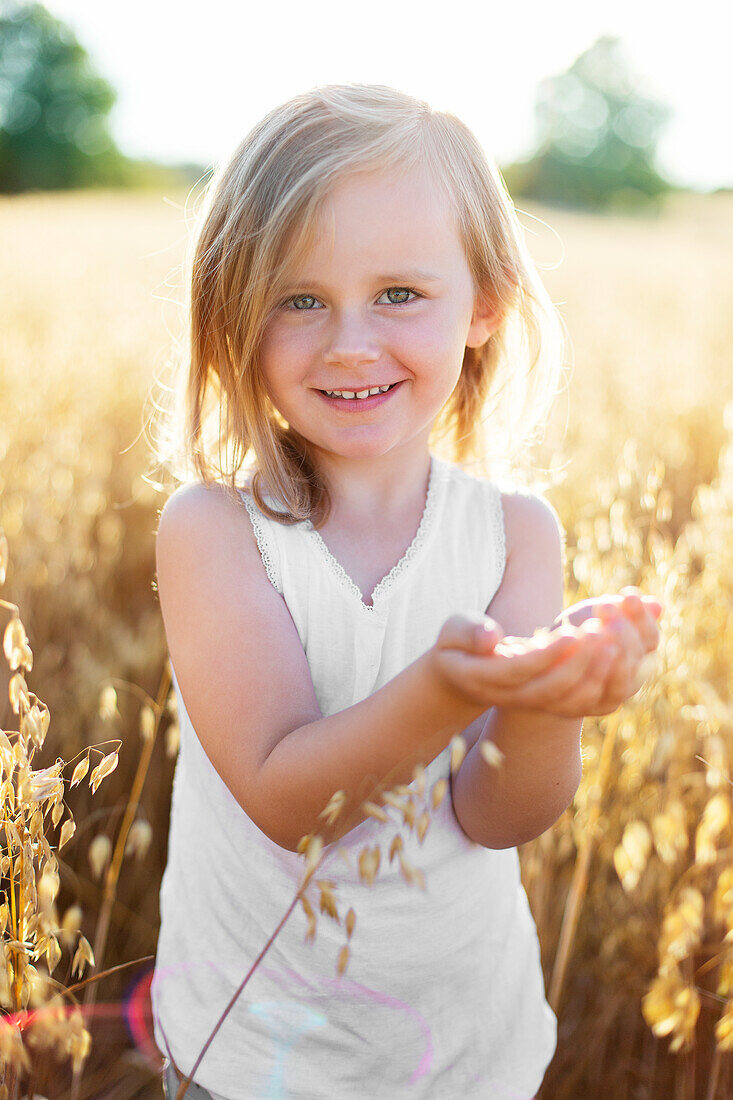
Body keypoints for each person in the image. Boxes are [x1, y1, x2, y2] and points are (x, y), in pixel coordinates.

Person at [149, 84, 662, 1100]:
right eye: (298, 298)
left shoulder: (513, 533)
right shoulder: (214, 531)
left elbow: (498, 812)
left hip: (466, 1050)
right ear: (233, 314)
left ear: (483, 307)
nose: (348, 341)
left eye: (397, 294)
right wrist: (449, 683)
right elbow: (291, 797)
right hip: (253, 1058)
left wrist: (544, 699)